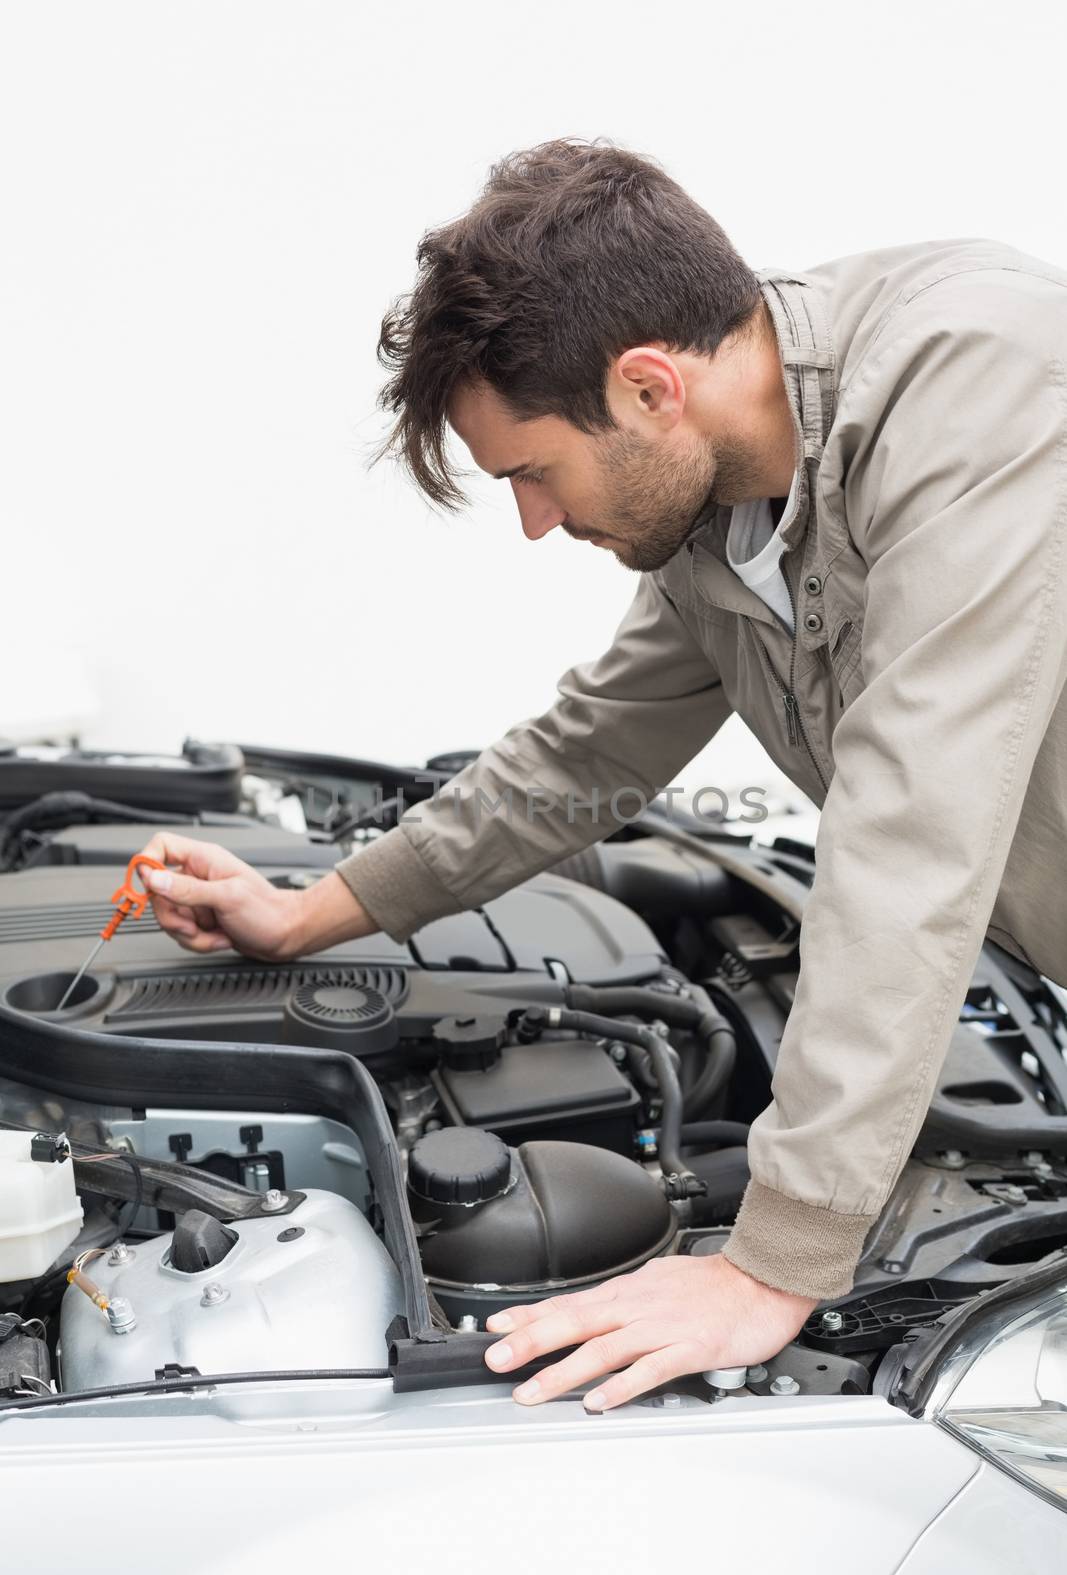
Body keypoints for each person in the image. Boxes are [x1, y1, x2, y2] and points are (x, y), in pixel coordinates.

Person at [140, 139, 1067, 1413]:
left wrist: (774, 1261)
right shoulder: (715, 514)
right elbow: (587, 748)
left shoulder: (974, 381)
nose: (532, 520)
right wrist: (318, 912)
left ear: (645, 389)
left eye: (530, 471)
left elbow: (911, 820)